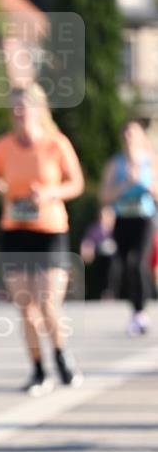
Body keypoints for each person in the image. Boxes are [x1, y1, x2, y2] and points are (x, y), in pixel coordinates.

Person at [0, 84, 85, 395]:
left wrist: (52, 193)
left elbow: (76, 183)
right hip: (15, 231)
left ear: (38, 109)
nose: (18, 113)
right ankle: (39, 370)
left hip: (51, 230)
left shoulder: (56, 144)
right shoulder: (2, 146)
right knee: (26, 306)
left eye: (23, 107)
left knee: (48, 302)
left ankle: (62, 355)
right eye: (14, 108)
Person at [100, 120, 157, 335]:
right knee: (124, 264)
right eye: (125, 134)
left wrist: (145, 186)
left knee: (138, 263)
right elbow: (105, 197)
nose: (128, 138)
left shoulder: (151, 162)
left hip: (145, 219)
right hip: (123, 220)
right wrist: (125, 185)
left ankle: (141, 312)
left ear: (141, 137)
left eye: (133, 134)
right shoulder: (115, 164)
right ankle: (136, 312)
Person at [79, 206, 117, 301]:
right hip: (100, 256)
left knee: (112, 266)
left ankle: (110, 291)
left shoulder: (116, 228)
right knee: (102, 268)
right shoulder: (94, 228)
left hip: (114, 257)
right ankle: (103, 292)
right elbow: (88, 241)